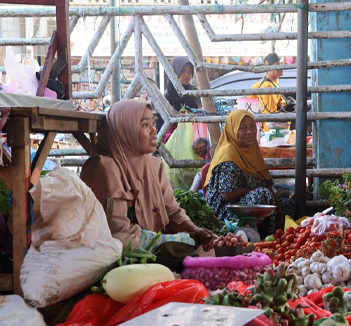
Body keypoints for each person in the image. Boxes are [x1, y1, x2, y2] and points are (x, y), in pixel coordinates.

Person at [81, 99, 216, 253]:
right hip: (123, 244)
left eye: (153, 123)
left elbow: (172, 211)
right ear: (125, 130)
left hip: (155, 241)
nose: (154, 130)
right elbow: (118, 229)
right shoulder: (104, 167)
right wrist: (171, 240)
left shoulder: (154, 165)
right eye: (145, 125)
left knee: (209, 249)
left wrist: (195, 230)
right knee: (122, 243)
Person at [203, 109, 296, 236]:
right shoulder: (228, 154)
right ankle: (245, 238)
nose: (250, 131)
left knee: (288, 204)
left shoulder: (253, 151)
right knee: (262, 195)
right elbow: (227, 194)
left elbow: (267, 184)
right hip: (227, 211)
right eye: (243, 128)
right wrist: (257, 190)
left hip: (250, 203)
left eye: (253, 126)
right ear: (233, 130)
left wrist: (279, 213)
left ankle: (272, 237)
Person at [249, 53, 287, 133]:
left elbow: (251, 94)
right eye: (278, 64)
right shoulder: (268, 86)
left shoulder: (271, 82)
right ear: (269, 69)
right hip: (273, 133)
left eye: (281, 63)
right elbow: (270, 116)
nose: (281, 67)